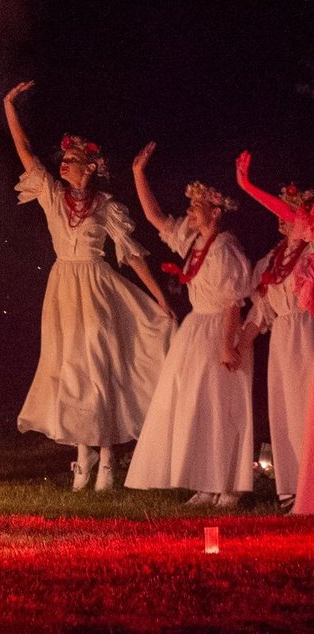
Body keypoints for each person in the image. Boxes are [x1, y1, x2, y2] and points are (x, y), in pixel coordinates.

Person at [3, 81, 175, 491]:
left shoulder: (107, 207)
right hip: (63, 284)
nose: (64, 164)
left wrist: (160, 299)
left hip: (96, 284)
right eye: (63, 159)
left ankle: (110, 457)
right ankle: (83, 456)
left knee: (98, 363)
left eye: (73, 159)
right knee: (71, 368)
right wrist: (10, 105)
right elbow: (25, 151)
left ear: (91, 167)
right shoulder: (50, 195)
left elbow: (132, 255)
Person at [125, 143, 253, 508]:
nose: (188, 211)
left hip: (219, 329)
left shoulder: (225, 249)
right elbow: (156, 218)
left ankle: (226, 484)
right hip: (196, 328)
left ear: (214, 210)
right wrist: (138, 175)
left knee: (220, 404)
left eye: (195, 206)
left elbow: (233, 302)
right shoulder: (195, 241)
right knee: (194, 403)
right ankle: (204, 482)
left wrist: (228, 344)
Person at [235, 150, 314, 516]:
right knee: (283, 410)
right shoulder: (271, 261)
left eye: (294, 215)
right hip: (283, 336)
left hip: (308, 331)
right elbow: (261, 312)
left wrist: (248, 185)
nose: (286, 219)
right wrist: (239, 343)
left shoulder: (309, 254)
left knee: (305, 409)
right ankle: (290, 488)